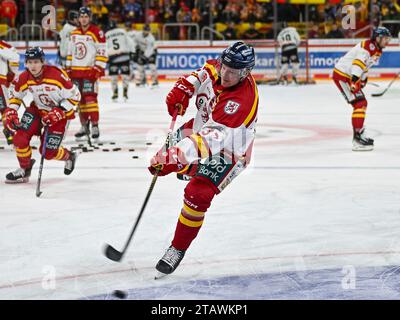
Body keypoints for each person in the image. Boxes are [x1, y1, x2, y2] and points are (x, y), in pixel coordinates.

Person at [148, 41, 258, 277]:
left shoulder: (241, 101)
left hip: (229, 148)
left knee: (197, 194)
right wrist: (184, 88)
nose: (226, 75)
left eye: (233, 72)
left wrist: (173, 157)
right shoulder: (217, 68)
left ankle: (177, 248)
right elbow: (200, 74)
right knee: (161, 160)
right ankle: (187, 166)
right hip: (199, 129)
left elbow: (209, 142)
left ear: (246, 73)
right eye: (224, 67)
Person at [3, 47, 81, 183]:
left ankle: (70, 156)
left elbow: (76, 96)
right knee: (19, 139)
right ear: (25, 63)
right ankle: (24, 169)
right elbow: (15, 96)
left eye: (36, 62)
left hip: (59, 115)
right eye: (29, 62)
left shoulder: (57, 75)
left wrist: (60, 110)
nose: (33, 66)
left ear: (43, 62)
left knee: (48, 153)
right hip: (38, 111)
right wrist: (11, 110)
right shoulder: (24, 77)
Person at [333, 27, 392, 151]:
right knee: (360, 104)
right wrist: (355, 79)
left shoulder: (377, 49)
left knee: (361, 103)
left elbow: (365, 66)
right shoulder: (368, 47)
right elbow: (358, 62)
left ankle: (359, 133)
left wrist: (363, 78)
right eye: (385, 38)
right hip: (344, 75)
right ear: (378, 38)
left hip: (349, 75)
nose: (387, 41)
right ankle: (357, 138)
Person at [66, 6, 107, 141]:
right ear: (78, 18)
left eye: (86, 16)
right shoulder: (74, 33)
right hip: (76, 73)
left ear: (90, 18)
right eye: (81, 17)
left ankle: (95, 125)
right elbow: (70, 53)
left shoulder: (97, 32)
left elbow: (102, 52)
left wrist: (98, 68)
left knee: (90, 99)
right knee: (80, 101)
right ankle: (84, 126)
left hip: (90, 72)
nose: (83, 19)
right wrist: (68, 69)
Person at [105, 20, 136, 101]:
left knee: (113, 77)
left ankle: (115, 93)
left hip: (112, 58)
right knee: (125, 77)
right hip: (124, 56)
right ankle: (125, 93)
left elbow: (105, 46)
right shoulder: (122, 31)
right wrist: (132, 52)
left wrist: (105, 57)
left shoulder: (107, 34)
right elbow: (130, 42)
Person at [0, 39, 19, 145]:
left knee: (4, 109)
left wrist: (12, 73)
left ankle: (9, 130)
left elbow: (15, 56)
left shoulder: (2, 45)